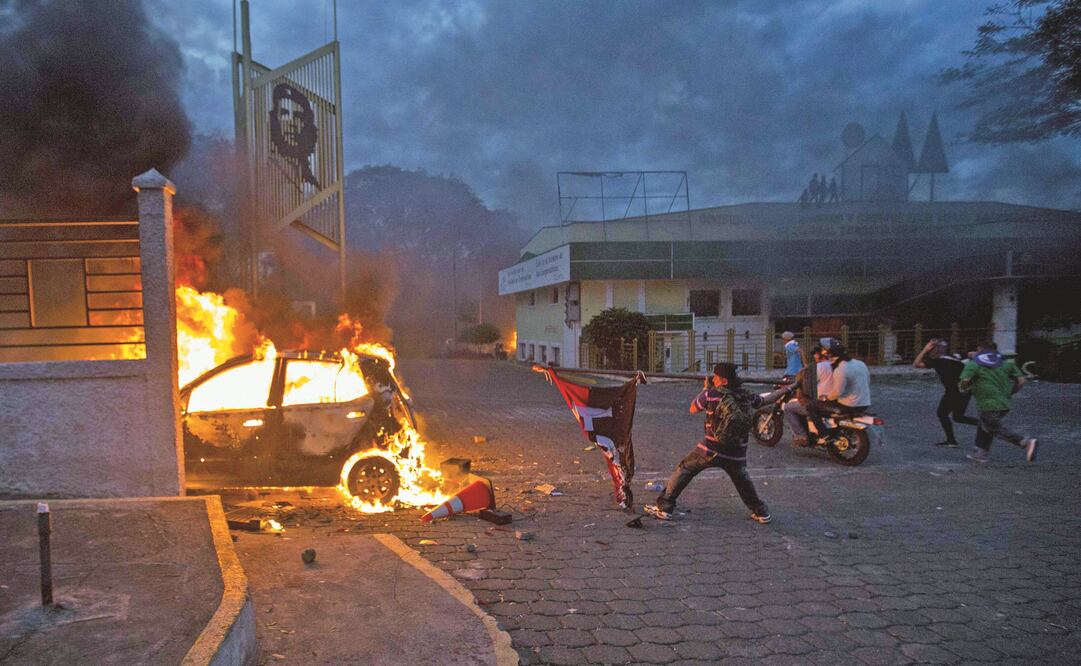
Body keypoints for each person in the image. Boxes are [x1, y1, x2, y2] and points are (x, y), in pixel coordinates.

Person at [644, 363, 792, 524]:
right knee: (742, 480)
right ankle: (761, 511)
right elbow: (765, 400)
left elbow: (693, 408)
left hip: (711, 448)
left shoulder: (711, 394)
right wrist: (788, 389)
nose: (713, 379)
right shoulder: (746, 395)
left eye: (716, 377)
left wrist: (705, 390)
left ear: (724, 381)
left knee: (685, 468)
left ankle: (665, 506)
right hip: (737, 451)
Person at [959, 341, 1037, 463]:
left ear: (979, 349)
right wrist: (1011, 392)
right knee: (984, 424)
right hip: (1004, 403)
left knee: (991, 427)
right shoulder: (1006, 363)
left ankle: (1025, 442)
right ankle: (980, 453)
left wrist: (965, 387)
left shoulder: (974, 364)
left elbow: (965, 381)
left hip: (987, 403)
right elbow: (1022, 381)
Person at [913, 338, 978, 448]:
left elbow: (916, 364)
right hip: (965, 389)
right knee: (958, 417)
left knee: (942, 413)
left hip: (953, 391)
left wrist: (925, 349)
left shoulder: (936, 361)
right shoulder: (955, 356)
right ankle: (985, 425)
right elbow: (973, 354)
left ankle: (952, 440)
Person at [805, 339, 871, 439]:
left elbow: (837, 392)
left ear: (830, 356)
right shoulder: (860, 364)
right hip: (864, 404)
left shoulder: (841, 369)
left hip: (848, 405)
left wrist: (826, 398)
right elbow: (868, 381)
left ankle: (824, 434)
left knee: (811, 406)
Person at [783, 343, 833, 446]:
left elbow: (805, 386)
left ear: (819, 354)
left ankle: (801, 436)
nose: (814, 356)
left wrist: (799, 392)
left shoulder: (815, 368)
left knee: (788, 407)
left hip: (820, 403)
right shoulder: (836, 365)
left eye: (815, 353)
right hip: (834, 401)